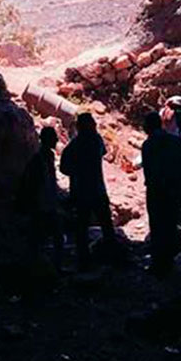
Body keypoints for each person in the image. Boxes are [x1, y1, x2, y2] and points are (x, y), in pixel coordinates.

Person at [58, 113, 118, 269]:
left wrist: (77, 172)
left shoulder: (74, 145)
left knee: (81, 227)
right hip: (98, 189)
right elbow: (103, 153)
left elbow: (64, 167)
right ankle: (113, 255)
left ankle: (84, 260)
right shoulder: (97, 141)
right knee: (106, 224)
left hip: (80, 191)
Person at [141, 111, 181, 274]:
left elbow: (148, 172)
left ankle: (158, 263)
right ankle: (169, 261)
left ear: (148, 127)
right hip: (173, 190)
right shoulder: (175, 142)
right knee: (170, 224)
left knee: (157, 226)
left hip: (156, 190)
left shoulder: (148, 145)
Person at [17, 126, 64, 273]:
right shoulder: (38, 160)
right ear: (47, 140)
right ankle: (39, 268)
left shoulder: (46, 157)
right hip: (41, 204)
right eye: (54, 137)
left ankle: (47, 267)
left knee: (46, 237)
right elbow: (34, 184)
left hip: (46, 203)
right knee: (43, 237)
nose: (56, 139)